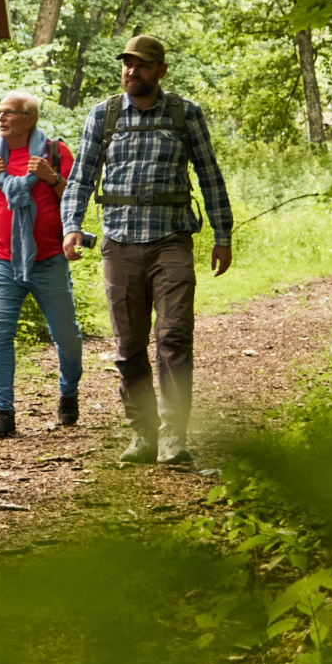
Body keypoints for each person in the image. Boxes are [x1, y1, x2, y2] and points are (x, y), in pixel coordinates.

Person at [61, 35, 235, 466]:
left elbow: (209, 174)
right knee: (129, 345)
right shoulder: (103, 115)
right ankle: (143, 435)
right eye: (126, 64)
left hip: (171, 239)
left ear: (160, 69)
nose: (130, 72)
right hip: (119, 243)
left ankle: (174, 435)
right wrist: (71, 226)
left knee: (174, 336)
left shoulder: (183, 114)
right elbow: (81, 177)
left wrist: (222, 234)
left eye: (140, 65)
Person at [0, 90, 84, 437]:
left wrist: (50, 177)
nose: (1, 118)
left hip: (49, 261)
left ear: (30, 118)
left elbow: (75, 201)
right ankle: (3, 413)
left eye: (9, 113)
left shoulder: (55, 154)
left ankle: (68, 392)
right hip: (2, 262)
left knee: (67, 337)